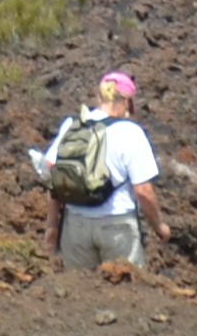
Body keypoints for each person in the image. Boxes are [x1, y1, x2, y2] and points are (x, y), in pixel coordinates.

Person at [32, 70, 169, 276]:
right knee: (128, 294)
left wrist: (51, 227)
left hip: (75, 226)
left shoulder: (72, 126)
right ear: (128, 102)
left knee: (79, 295)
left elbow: (54, 177)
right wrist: (159, 227)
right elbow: (143, 191)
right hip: (117, 228)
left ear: (99, 97)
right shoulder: (131, 132)